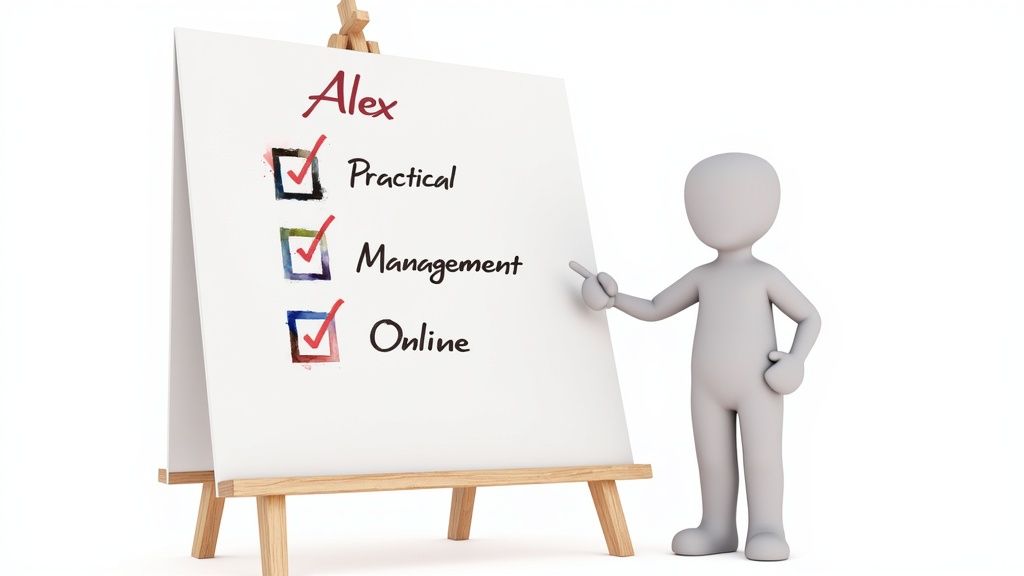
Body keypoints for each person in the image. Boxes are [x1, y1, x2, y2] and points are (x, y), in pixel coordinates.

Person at [570, 152, 821, 561]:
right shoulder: (703, 276)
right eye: (704, 203)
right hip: (706, 388)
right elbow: (655, 307)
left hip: (760, 386)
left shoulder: (764, 276)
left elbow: (809, 316)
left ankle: (767, 528)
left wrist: (796, 360)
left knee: (762, 458)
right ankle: (717, 527)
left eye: (733, 200)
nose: (717, 213)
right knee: (713, 459)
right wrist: (613, 300)